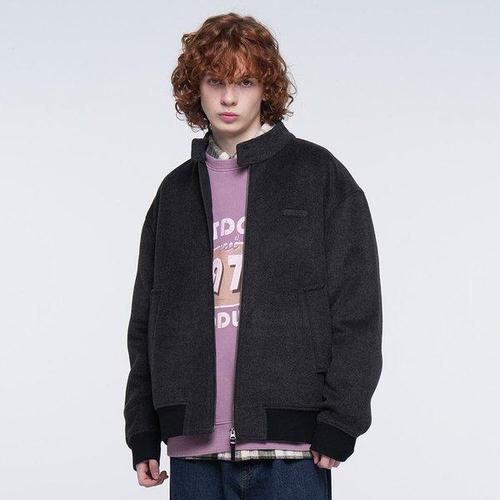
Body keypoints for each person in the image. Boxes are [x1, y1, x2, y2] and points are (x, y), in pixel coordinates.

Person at [123, 12, 383, 499]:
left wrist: (342, 419)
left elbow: (358, 308)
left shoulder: (319, 176)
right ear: (195, 89)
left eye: (244, 82)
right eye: (215, 81)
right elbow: (146, 321)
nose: (228, 98)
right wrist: (143, 429)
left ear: (266, 88)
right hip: (193, 452)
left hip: (293, 453)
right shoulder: (174, 194)